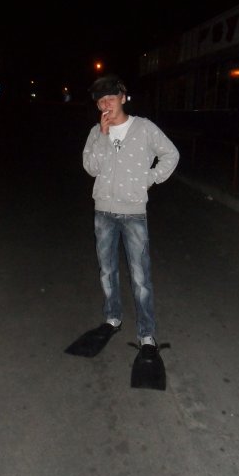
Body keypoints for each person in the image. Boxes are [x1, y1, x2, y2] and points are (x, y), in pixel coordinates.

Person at [83, 74, 180, 359]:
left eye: (110, 98)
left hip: (133, 213)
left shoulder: (144, 128)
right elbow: (91, 167)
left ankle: (146, 333)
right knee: (107, 271)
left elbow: (171, 154)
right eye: (101, 101)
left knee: (140, 277)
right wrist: (102, 137)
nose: (106, 105)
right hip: (103, 212)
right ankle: (112, 317)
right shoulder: (95, 132)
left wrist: (148, 178)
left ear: (123, 98)